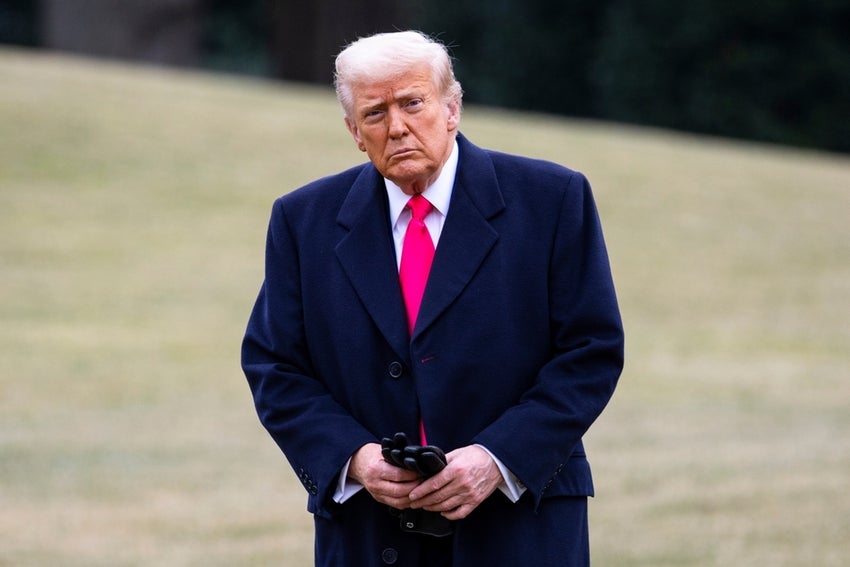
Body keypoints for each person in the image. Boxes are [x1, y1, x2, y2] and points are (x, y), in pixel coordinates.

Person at [242, 30, 624, 567]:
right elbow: (275, 365)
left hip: (520, 528)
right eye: (375, 113)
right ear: (354, 131)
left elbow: (591, 350)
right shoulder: (303, 221)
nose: (396, 126)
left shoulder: (552, 199)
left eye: (412, 103)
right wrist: (354, 459)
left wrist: (498, 458)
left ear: (452, 107)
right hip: (369, 535)